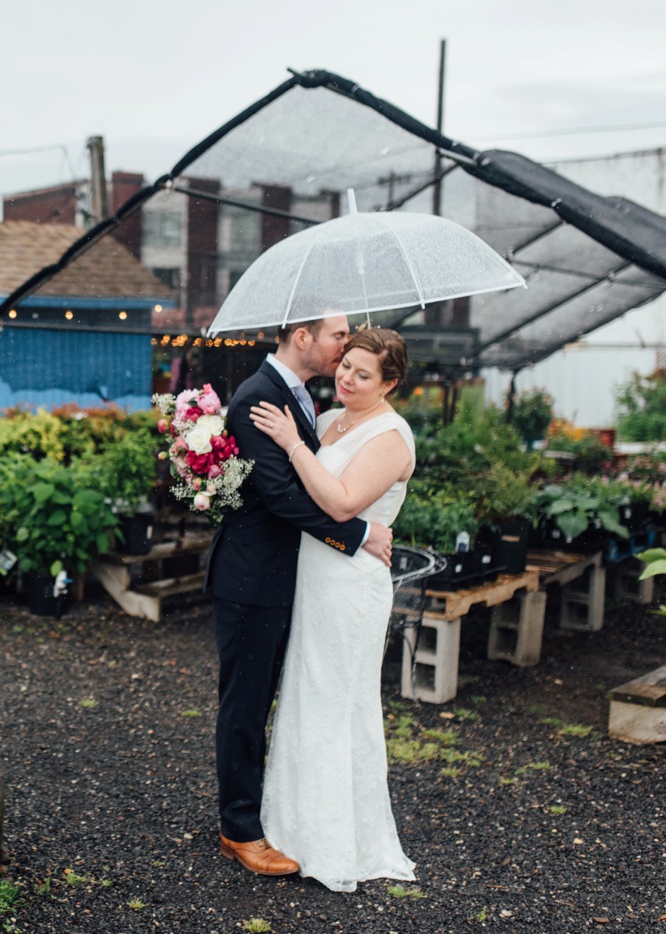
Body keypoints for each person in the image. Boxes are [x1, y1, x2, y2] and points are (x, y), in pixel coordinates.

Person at [205, 314, 394, 877]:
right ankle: (238, 829)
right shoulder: (257, 398)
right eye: (339, 338)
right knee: (245, 703)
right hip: (251, 579)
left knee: (280, 699)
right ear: (304, 337)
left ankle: (271, 812)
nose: (346, 348)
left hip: (287, 578)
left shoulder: (306, 400)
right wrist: (357, 534)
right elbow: (283, 497)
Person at [247, 327, 417, 892]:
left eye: (363, 374)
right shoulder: (326, 420)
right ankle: (292, 830)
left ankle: (339, 842)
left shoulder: (391, 435)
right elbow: (300, 499)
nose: (346, 377)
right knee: (304, 696)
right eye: (345, 365)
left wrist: (294, 443)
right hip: (313, 578)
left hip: (350, 587)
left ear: (389, 383)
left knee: (339, 703)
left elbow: (342, 500)